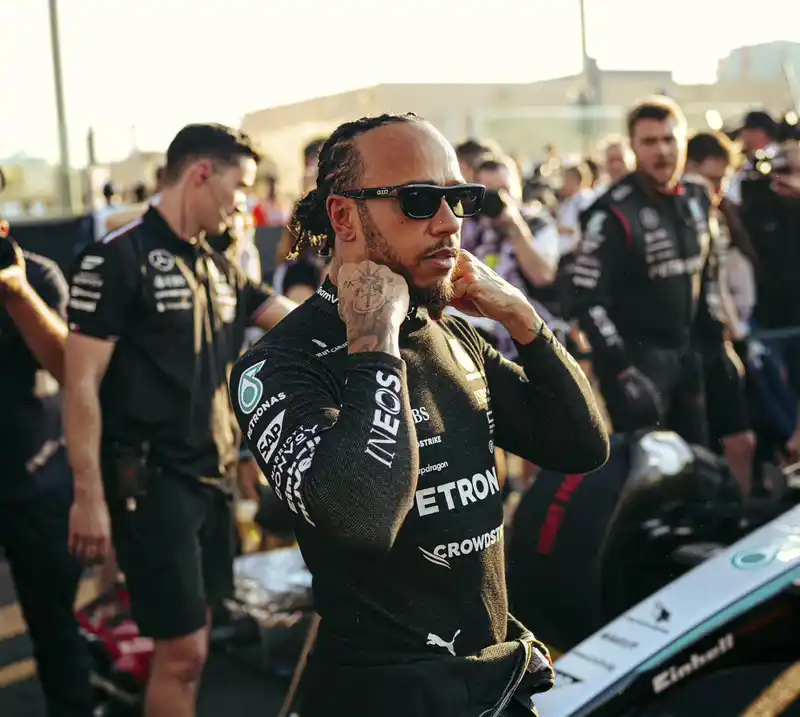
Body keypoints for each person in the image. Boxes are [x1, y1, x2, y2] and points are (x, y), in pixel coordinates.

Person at [230, 112, 609, 717]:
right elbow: (363, 518)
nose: (449, 222)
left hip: (491, 686)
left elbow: (581, 445)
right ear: (344, 216)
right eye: (418, 200)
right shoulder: (280, 364)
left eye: (459, 199)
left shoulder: (451, 333)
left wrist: (520, 317)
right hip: (384, 699)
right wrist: (374, 341)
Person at [64, 123, 296, 717]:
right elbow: (80, 383)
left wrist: (376, 311)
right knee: (184, 652)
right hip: (152, 484)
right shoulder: (117, 257)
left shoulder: (219, 264)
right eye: (239, 186)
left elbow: (295, 321)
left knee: (196, 645)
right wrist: (88, 497)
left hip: (211, 480)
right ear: (201, 173)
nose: (243, 202)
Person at [570, 96, 716, 447]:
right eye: (649, 142)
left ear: (683, 142)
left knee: (700, 462)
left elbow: (705, 273)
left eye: (669, 139)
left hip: (689, 354)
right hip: (640, 364)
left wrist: (716, 341)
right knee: (653, 467)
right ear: (633, 147)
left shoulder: (697, 197)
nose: (662, 151)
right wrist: (621, 368)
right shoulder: (611, 211)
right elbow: (584, 299)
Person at [0, 226, 93, 716]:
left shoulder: (36, 275)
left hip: (35, 480)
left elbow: (69, 368)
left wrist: (17, 293)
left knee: (55, 631)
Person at [684, 131, 756, 495]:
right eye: (711, 179)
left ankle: (739, 514)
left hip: (716, 341)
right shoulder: (676, 214)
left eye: (724, 180)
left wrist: (734, 335)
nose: (719, 189)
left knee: (741, 442)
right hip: (684, 349)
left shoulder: (716, 216)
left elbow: (717, 282)